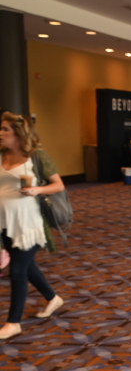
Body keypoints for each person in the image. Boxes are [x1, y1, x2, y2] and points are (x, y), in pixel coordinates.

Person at [0, 112, 65, 340]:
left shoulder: (36, 156)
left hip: (29, 224)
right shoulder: (1, 155)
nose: (1, 133)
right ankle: (52, 298)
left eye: (5, 129)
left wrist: (37, 190)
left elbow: (58, 185)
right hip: (5, 223)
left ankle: (13, 322)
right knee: (27, 267)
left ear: (19, 134)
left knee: (17, 270)